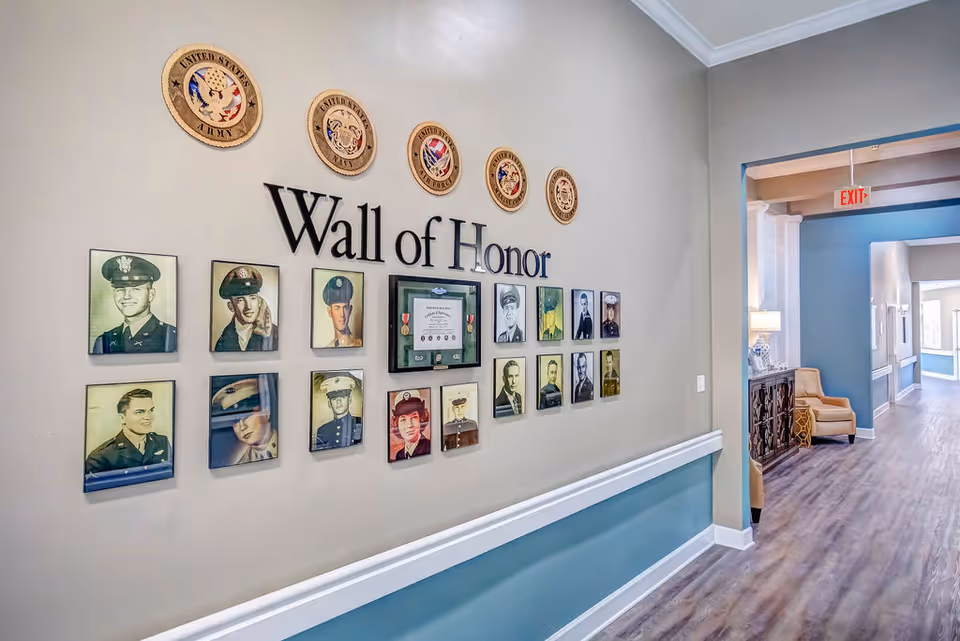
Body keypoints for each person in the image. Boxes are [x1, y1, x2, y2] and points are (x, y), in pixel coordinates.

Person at [91, 254, 177, 354]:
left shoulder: (169, 337)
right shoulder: (104, 341)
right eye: (120, 289)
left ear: (151, 294)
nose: (126, 296)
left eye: (136, 289)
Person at [85, 388, 170, 473]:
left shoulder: (162, 442)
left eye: (151, 410)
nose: (149, 417)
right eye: (139, 412)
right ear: (122, 418)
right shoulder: (101, 457)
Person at [210, 377, 278, 467]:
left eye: (247, 416)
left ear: (266, 412)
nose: (242, 427)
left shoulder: (289, 445)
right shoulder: (239, 463)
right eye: (235, 421)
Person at [214, 265, 278, 351]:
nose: (249, 306)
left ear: (259, 301)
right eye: (240, 300)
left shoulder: (274, 334)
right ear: (231, 307)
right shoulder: (223, 340)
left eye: (252, 298)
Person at [313, 374, 363, 451]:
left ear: (349, 400)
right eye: (334, 398)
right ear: (329, 403)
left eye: (342, 397)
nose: (338, 402)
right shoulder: (323, 430)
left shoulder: (360, 423)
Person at [322, 275, 361, 347]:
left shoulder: (360, 344)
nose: (342, 314)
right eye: (337, 308)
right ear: (330, 312)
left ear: (350, 310)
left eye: (345, 308)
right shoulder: (328, 349)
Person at [391, 390, 430, 461]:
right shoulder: (399, 455)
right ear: (397, 424)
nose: (409, 425)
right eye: (403, 420)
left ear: (421, 419)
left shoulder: (429, 447)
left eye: (414, 417)